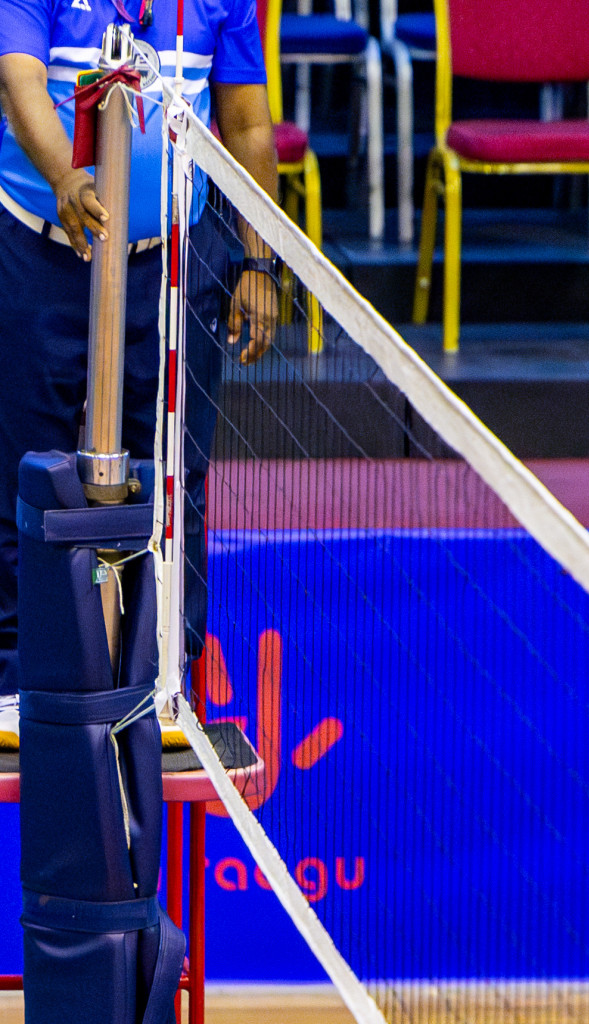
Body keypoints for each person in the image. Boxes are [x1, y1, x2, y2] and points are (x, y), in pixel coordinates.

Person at [0, 0, 280, 745]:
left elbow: (248, 125)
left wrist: (257, 260)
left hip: (173, 264)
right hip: (40, 253)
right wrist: (65, 175)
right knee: (22, 481)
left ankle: (165, 681)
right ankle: (11, 682)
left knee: (171, 485)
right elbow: (18, 77)